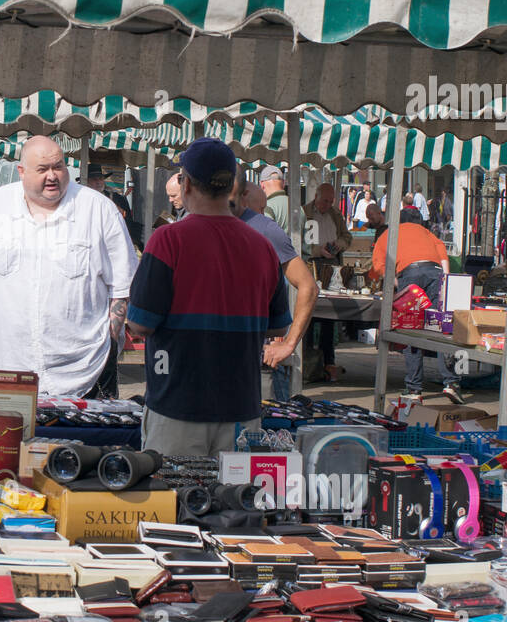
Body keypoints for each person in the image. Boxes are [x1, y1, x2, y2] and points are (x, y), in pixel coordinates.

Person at [127, 140, 290, 455]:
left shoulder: (167, 240)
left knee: (175, 499)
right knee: (235, 501)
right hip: (242, 409)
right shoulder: (262, 248)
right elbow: (277, 328)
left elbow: (140, 324)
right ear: (231, 185)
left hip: (178, 406)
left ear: (186, 184)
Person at [0, 136, 138, 397]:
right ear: (21, 172)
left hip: (86, 371)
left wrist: (109, 338)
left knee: (89, 439)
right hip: (11, 369)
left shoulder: (98, 209)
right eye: (42, 169)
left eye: (58, 167)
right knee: (10, 438)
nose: (52, 176)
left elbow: (123, 284)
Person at [232, 172, 319, 404]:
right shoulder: (195, 226)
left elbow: (308, 286)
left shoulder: (265, 229)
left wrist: (289, 343)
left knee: (261, 431)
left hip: (256, 361)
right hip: (215, 364)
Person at [369, 207, 464, 404]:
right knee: (441, 328)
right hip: (435, 272)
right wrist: (443, 284)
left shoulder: (389, 233)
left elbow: (380, 267)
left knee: (412, 329)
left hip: (409, 273)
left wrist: (399, 285)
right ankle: (452, 383)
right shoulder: (427, 233)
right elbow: (444, 259)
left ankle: (414, 388)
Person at [303, 183, 352, 382]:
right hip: (311, 265)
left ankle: (328, 360)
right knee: (309, 314)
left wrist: (337, 246)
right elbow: (301, 242)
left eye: (331, 201)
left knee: (328, 317)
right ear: (316, 196)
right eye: (325, 201)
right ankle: (307, 361)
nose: (328, 204)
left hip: (331, 266)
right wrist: (317, 251)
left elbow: (346, 236)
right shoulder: (305, 212)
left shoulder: (335, 214)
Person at [86, 165, 141, 248]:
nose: (98, 182)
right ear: (87, 181)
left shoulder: (117, 199)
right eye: (94, 179)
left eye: (100, 178)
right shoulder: (82, 200)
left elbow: (128, 223)